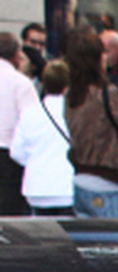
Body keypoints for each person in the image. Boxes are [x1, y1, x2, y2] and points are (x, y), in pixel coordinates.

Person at [63, 32, 118, 217]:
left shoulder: (70, 96)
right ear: (95, 59)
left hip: (80, 182)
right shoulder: (106, 93)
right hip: (110, 184)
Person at [11, 60, 73, 216]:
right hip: (67, 185)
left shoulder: (29, 113)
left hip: (36, 186)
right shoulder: (75, 112)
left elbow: (16, 151)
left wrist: (34, 160)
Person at [0, 32, 36, 215]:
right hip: (9, 155)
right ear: (16, 54)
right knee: (10, 217)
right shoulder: (21, 83)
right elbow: (31, 121)